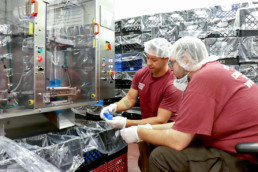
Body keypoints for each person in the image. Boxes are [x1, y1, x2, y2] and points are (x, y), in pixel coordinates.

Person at [120, 36, 258, 172]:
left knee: (161, 156)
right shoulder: (213, 71)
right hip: (241, 145)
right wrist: (148, 128)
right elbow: (183, 126)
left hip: (243, 157)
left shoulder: (202, 79)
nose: (171, 69)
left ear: (186, 59)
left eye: (173, 63)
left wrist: (139, 133)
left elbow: (179, 140)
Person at [100, 38, 182, 172]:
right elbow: (130, 98)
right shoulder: (141, 74)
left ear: (166, 59)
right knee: (144, 160)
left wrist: (126, 122)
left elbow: (161, 120)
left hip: (164, 131)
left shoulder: (172, 84)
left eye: (154, 60)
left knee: (159, 162)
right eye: (147, 58)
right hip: (144, 126)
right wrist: (114, 106)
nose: (149, 63)